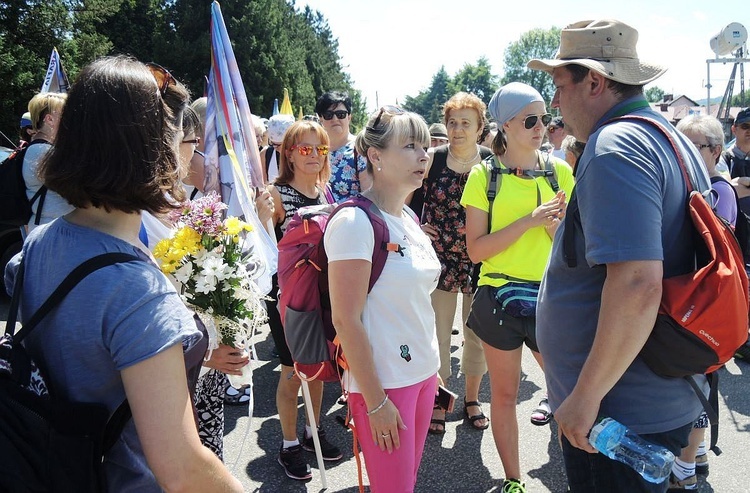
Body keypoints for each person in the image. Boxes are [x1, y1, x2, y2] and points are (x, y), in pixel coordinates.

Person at [4, 55, 243, 492]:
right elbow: (182, 467)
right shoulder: (137, 290)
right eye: (181, 136)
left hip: (54, 468)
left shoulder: (40, 241)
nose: (188, 149)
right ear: (151, 148)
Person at [528, 19, 711, 493]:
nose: (553, 101)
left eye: (558, 84)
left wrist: (585, 397)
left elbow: (636, 284)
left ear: (594, 80)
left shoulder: (617, 146)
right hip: (648, 398)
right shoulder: (670, 139)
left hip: (615, 418)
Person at [461, 82, 574, 493]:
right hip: (498, 299)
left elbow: (572, 248)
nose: (541, 126)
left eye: (545, 118)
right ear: (506, 125)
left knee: (567, 395)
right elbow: (476, 251)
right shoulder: (483, 174)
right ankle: (513, 481)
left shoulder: (559, 171)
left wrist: (553, 227)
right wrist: (529, 220)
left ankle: (572, 476)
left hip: (551, 297)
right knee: (504, 396)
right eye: (531, 119)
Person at [326, 106, 441, 492]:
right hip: (384, 384)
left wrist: (431, 369)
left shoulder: (407, 216)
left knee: (404, 484)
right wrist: (375, 402)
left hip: (422, 373)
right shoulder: (354, 222)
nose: (423, 155)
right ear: (375, 156)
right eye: (409, 145)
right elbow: (346, 319)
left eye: (425, 145)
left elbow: (415, 303)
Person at [267, 120, 342, 480]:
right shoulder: (276, 195)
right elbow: (264, 246)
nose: (314, 155)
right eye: (305, 148)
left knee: (317, 366)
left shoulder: (326, 193)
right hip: (286, 297)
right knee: (290, 374)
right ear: (289, 154)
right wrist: (262, 214)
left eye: (321, 149)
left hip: (321, 293)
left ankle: (313, 431)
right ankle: (288, 443)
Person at [416, 92, 491, 436]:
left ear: (479, 128)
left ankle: (472, 399)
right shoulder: (433, 159)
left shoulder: (491, 163)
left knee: (476, 335)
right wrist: (415, 223)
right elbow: (401, 195)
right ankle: (439, 400)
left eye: (466, 123)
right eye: (452, 122)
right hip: (439, 258)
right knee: (438, 334)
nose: (457, 129)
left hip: (480, 258)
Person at [670, 114, 730, 490]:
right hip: (696, 308)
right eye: (681, 146)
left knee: (693, 390)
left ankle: (685, 472)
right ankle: (699, 455)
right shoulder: (700, 187)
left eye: (697, 147)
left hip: (704, 311)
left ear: (717, 151)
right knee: (696, 388)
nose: (686, 154)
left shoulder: (717, 192)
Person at [720, 107, 750, 363]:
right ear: (735, 129)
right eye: (745, 127)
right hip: (733, 233)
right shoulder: (725, 157)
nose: (749, 132)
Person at [23, 91, 72, 230]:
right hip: (50, 230)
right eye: (65, 115)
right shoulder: (41, 151)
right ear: (49, 119)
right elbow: (76, 186)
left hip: (50, 227)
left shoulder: (41, 148)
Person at [315, 91, 371, 201]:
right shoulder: (314, 150)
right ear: (321, 119)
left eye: (341, 114)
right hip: (319, 216)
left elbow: (368, 196)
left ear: (349, 117)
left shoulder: (361, 149)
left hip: (352, 215)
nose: (335, 119)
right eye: (328, 115)